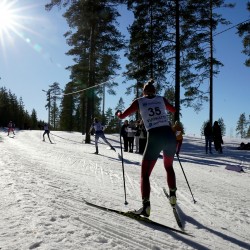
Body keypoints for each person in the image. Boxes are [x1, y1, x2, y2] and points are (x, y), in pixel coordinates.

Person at [116, 79, 177, 217]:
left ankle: (146, 206)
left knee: (145, 174)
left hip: (155, 136)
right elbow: (173, 110)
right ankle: (173, 196)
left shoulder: (139, 101)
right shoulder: (161, 99)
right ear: (154, 91)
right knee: (169, 167)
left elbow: (123, 116)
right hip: (169, 135)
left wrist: (118, 114)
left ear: (143, 92)